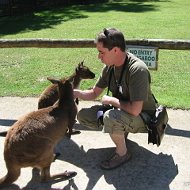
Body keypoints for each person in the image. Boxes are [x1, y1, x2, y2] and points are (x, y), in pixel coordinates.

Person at [74, 28, 157, 170]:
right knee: (83, 116)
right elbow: (94, 93)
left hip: (144, 116)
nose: (99, 57)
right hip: (122, 111)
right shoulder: (109, 68)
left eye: (102, 52)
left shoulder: (137, 70)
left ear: (116, 50)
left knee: (110, 117)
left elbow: (135, 110)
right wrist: (74, 92)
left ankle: (122, 153)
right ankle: (121, 131)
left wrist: (111, 101)